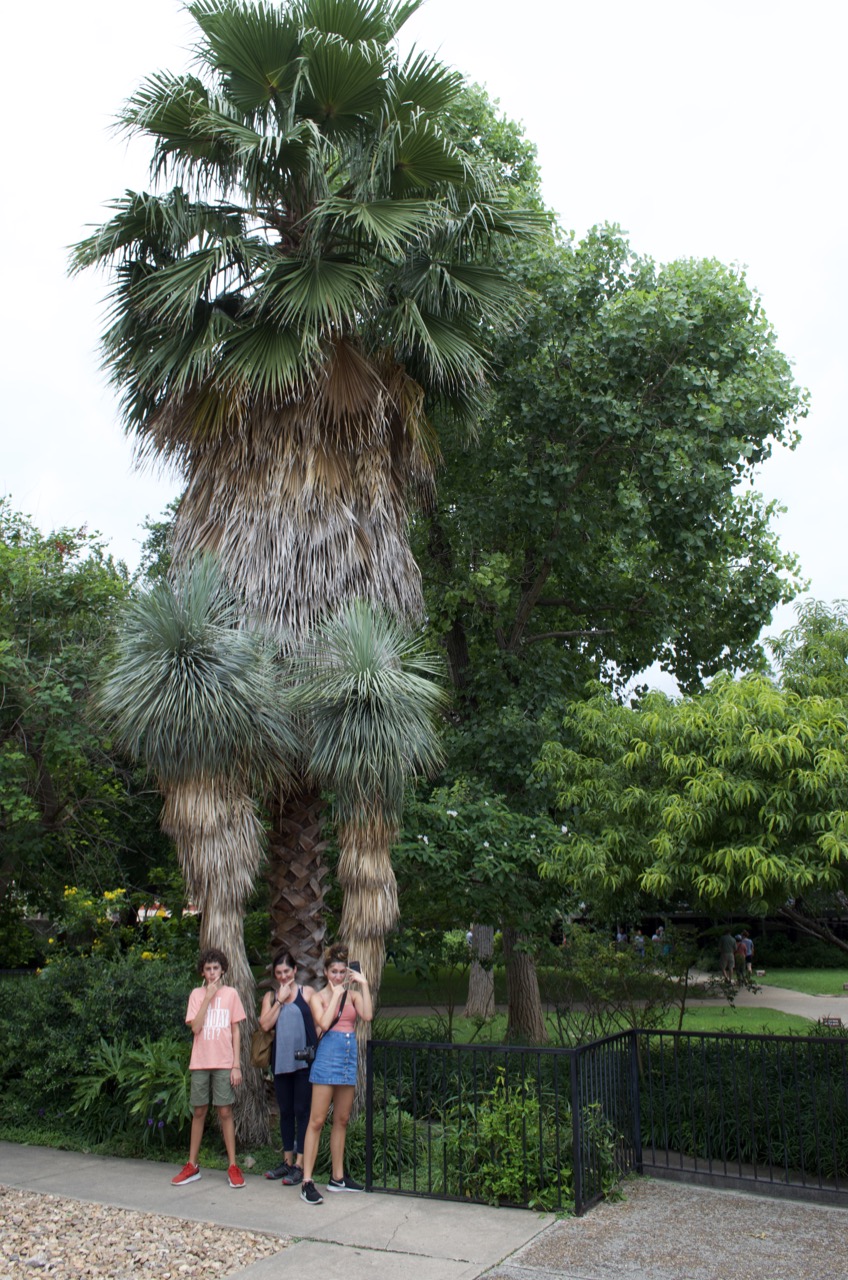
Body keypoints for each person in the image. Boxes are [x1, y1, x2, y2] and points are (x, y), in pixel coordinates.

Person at [299, 943, 373, 1206]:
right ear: (326, 972)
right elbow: (324, 1022)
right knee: (317, 1120)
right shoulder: (317, 997)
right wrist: (335, 994)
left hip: (347, 1057)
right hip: (327, 1057)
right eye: (334, 972)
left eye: (342, 972)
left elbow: (367, 1014)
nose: (339, 976)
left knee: (341, 1119)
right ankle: (307, 1180)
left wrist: (362, 984)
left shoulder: (352, 995)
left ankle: (338, 1177)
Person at [171, 947, 246, 1188]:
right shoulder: (196, 994)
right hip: (201, 1061)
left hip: (224, 1061)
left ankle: (233, 1165)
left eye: (216, 968)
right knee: (199, 1111)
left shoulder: (232, 994)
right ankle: (192, 1165)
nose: (212, 973)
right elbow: (195, 1027)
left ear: (222, 970)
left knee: (225, 1112)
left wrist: (236, 1065)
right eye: (208, 969)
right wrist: (207, 997)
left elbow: (236, 1030)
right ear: (202, 972)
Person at [259, 950, 319, 1185]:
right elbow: (265, 1025)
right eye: (279, 973)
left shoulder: (307, 993)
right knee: (286, 1111)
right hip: (282, 1062)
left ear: (295, 970)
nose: (283, 976)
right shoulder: (271, 997)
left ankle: (300, 1163)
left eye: (287, 971)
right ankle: (286, 1160)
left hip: (304, 1063)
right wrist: (280, 1001)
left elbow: (318, 1024)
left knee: (302, 1110)